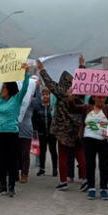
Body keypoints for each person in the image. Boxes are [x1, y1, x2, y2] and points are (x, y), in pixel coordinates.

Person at [37, 57, 87, 191]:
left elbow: (49, 83)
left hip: (62, 130)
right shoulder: (80, 92)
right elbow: (82, 78)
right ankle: (85, 179)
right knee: (80, 154)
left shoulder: (62, 93)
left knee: (63, 156)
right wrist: (81, 66)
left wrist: (42, 70)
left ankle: (63, 181)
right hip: (77, 128)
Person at [0, 63, 31, 198]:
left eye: (4, 87)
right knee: (1, 160)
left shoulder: (16, 99)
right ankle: (2, 186)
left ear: (10, 89)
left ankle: (11, 187)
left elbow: (24, 87)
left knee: (11, 160)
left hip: (11, 133)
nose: (2, 89)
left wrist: (26, 73)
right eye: (2, 87)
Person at [69, 95, 108, 200]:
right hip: (88, 140)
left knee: (104, 166)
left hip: (104, 141)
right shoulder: (86, 107)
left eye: (103, 98)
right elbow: (73, 108)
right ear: (94, 98)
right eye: (98, 97)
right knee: (90, 165)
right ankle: (91, 189)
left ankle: (103, 189)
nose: (101, 99)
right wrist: (71, 99)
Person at [18, 79, 41, 183]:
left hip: (26, 130)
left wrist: (38, 88)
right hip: (14, 129)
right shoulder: (15, 99)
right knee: (15, 153)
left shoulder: (30, 101)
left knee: (25, 154)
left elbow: (38, 103)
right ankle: (14, 173)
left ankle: (24, 173)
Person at [33, 87, 58, 177]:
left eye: (47, 94)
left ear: (50, 96)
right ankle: (42, 169)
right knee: (42, 151)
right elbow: (34, 120)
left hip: (52, 133)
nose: (45, 96)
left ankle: (55, 169)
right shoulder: (37, 107)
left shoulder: (53, 107)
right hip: (41, 133)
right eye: (43, 94)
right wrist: (35, 131)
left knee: (53, 151)